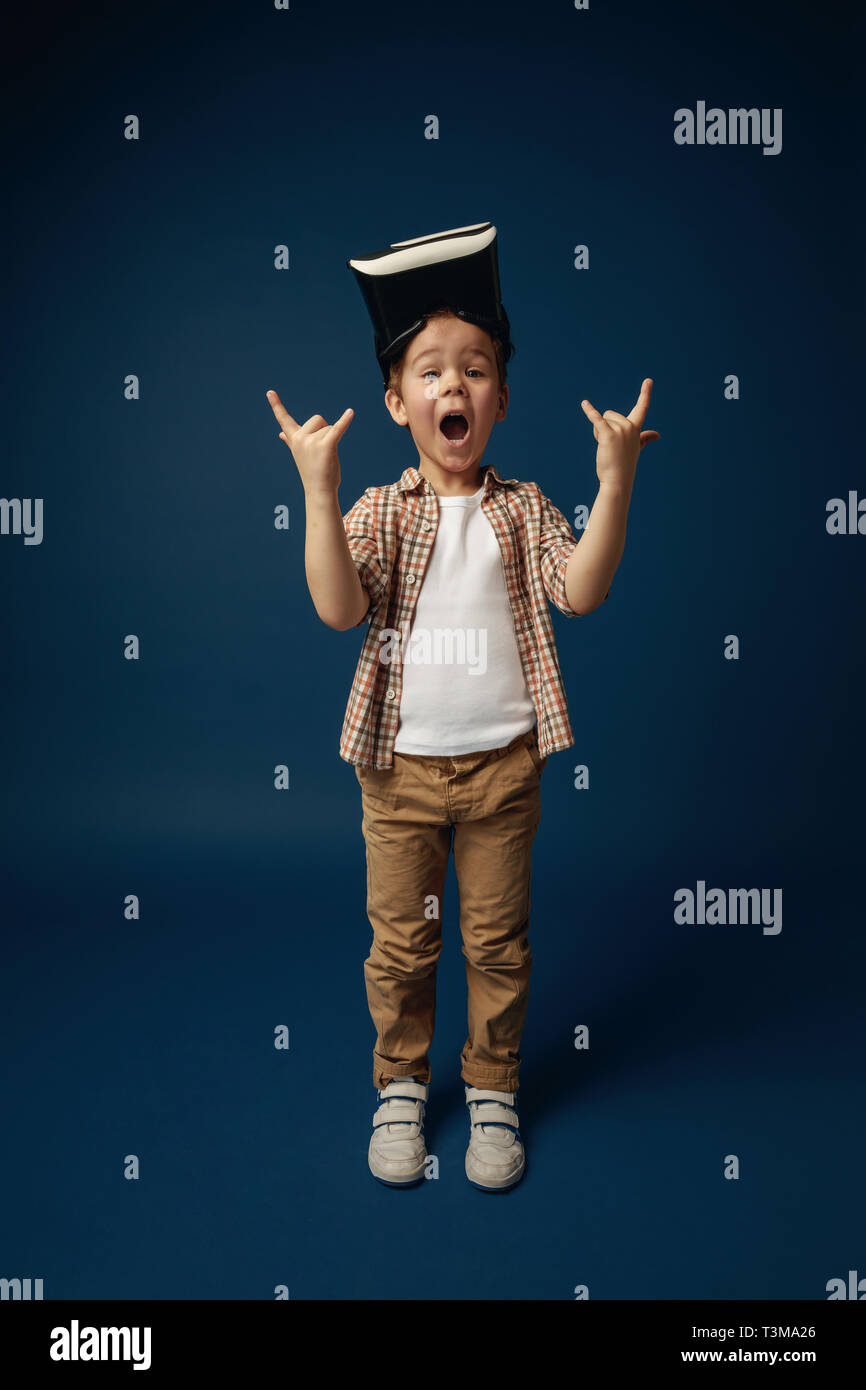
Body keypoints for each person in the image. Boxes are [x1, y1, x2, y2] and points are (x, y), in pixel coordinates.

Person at [266, 223, 659, 1192]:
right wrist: (319, 495)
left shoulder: (522, 508)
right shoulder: (380, 510)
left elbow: (582, 590)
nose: (455, 386)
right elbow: (335, 606)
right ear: (396, 401)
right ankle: (400, 1080)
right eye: (432, 371)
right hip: (396, 775)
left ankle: (490, 1084)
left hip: (501, 770)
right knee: (400, 942)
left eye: (475, 369)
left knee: (494, 939)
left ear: (500, 399)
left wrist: (613, 485)